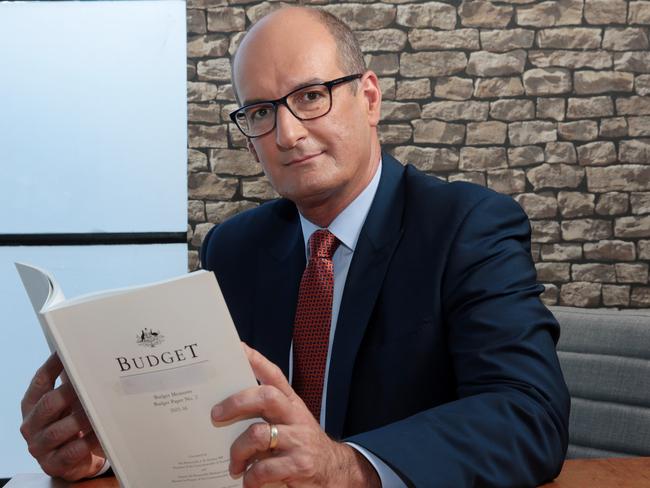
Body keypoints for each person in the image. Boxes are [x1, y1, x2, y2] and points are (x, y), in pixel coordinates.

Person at [20, 6, 570, 487]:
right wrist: (103, 451)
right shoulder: (234, 249)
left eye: (311, 96)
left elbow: (528, 414)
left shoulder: (467, 226)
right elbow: (206, 423)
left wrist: (344, 467)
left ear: (370, 97)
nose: (287, 134)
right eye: (261, 112)